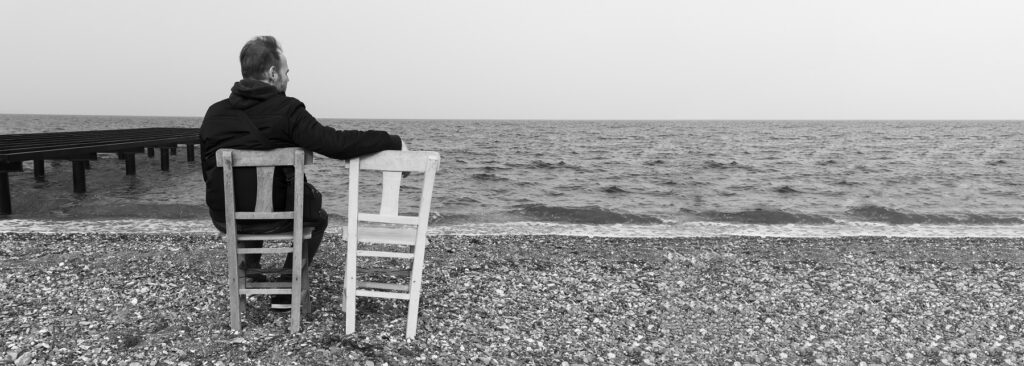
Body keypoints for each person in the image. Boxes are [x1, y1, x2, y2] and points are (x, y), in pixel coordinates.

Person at [200, 35, 405, 310]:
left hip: (225, 218)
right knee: (317, 218)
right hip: (278, 218)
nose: (288, 78)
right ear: (272, 73)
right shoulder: (287, 111)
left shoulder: (214, 114)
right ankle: (287, 291)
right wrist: (391, 141)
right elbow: (336, 143)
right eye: (286, 71)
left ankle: (250, 268)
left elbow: (206, 171)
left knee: (248, 198)